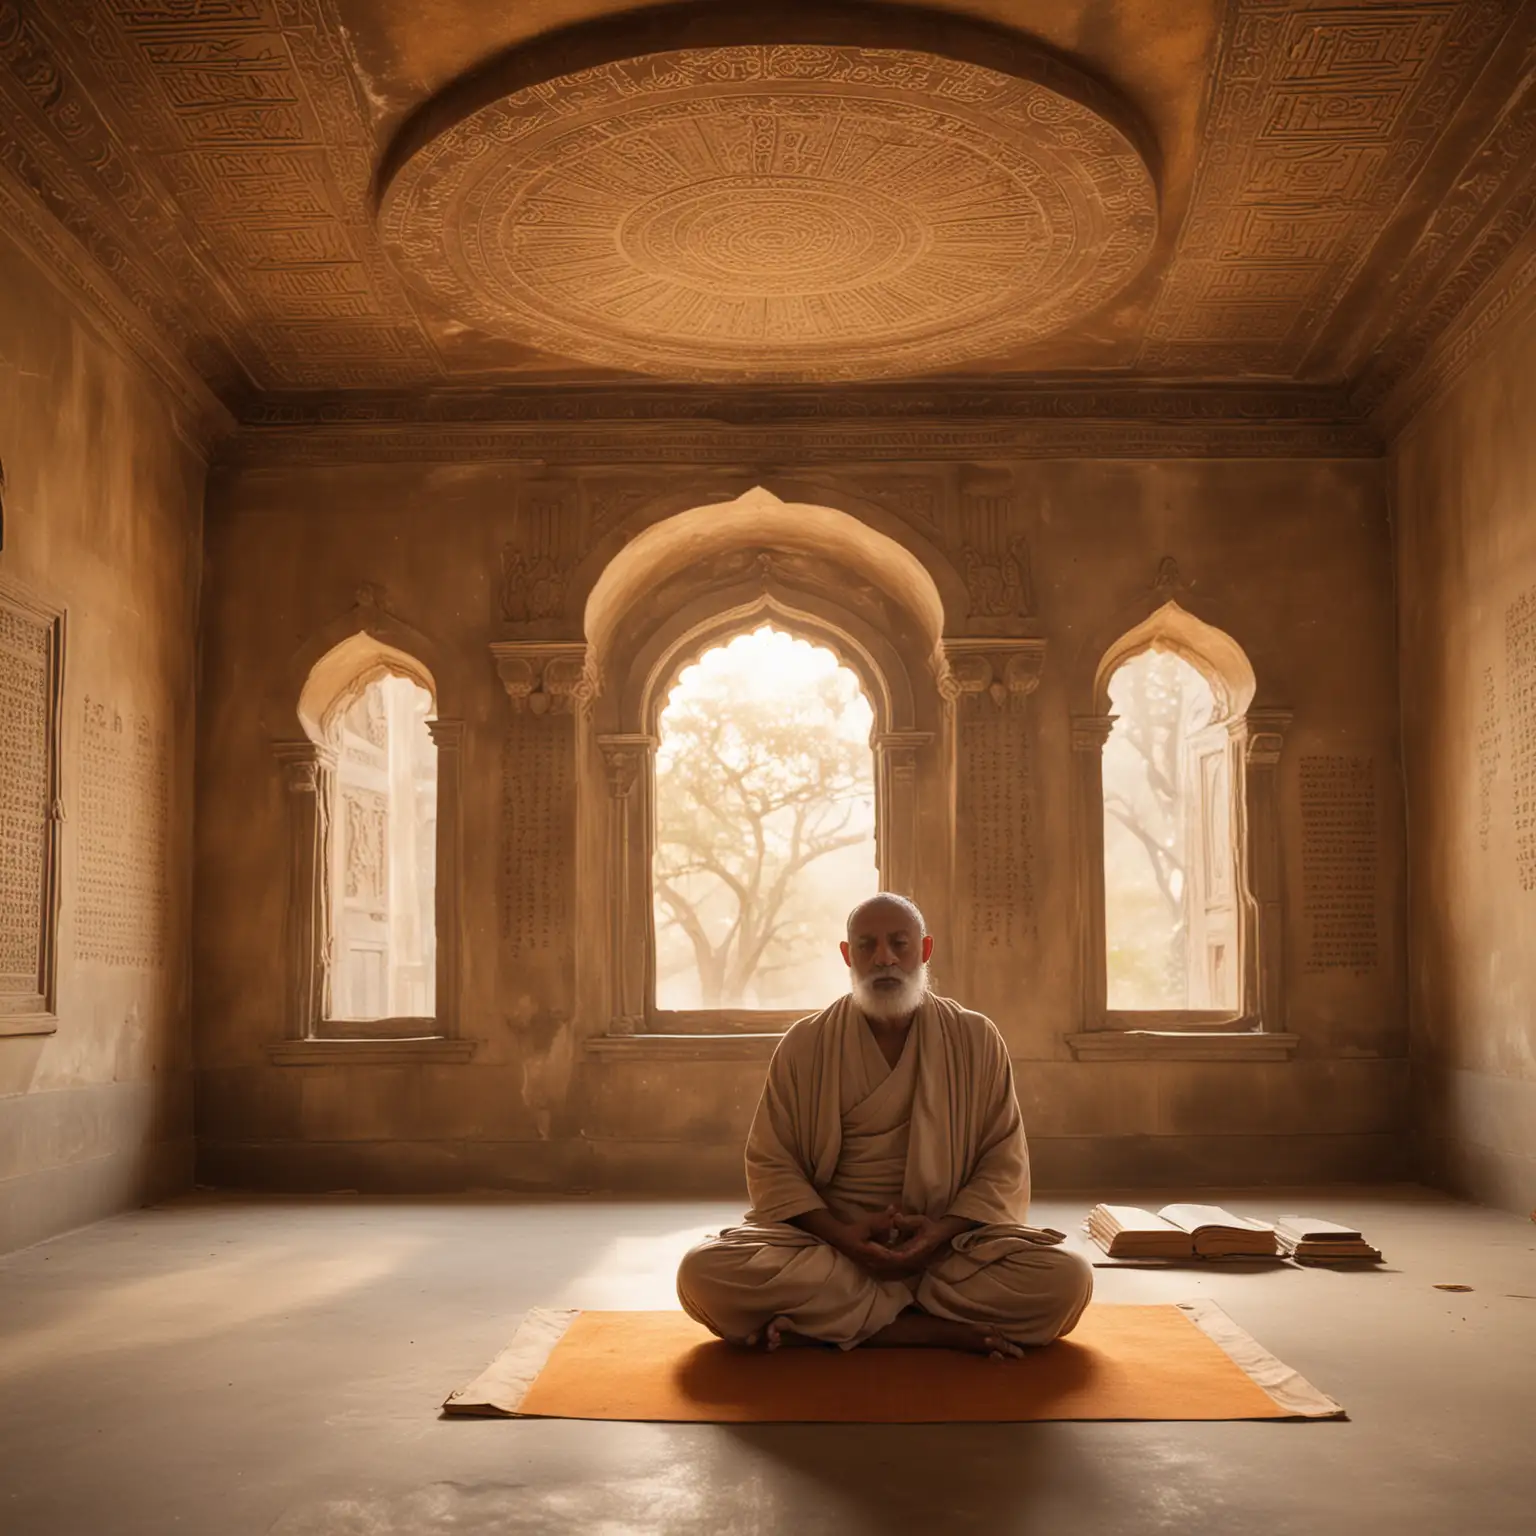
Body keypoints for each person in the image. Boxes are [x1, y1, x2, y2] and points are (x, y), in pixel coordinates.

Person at [676, 893, 1092, 1358]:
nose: (884, 959)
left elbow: (1002, 1163)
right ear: (846, 954)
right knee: (702, 1272)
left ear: (925, 950)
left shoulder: (975, 1038)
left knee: (1069, 1280)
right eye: (867, 946)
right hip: (832, 1250)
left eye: (899, 944)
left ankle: (841, 1323)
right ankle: (923, 1329)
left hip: (949, 1252)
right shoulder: (805, 1044)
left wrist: (936, 1235)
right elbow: (772, 1165)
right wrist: (843, 1237)